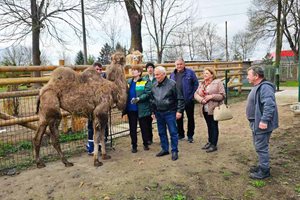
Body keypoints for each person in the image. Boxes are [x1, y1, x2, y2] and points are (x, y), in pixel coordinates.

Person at [246, 66, 278, 179]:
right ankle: (262, 166)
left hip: (261, 123)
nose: (247, 77)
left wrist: (264, 120)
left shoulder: (265, 87)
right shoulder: (258, 86)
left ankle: (264, 171)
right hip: (256, 122)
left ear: (256, 76)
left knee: (261, 146)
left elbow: (269, 105)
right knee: (258, 145)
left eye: (249, 75)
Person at [151, 66, 185, 161]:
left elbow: (180, 98)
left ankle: (174, 150)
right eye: (155, 74)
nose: (156, 76)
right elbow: (152, 99)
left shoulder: (172, 84)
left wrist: (179, 111)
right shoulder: (154, 85)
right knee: (161, 132)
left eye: (157, 74)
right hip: (158, 112)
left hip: (170, 112)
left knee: (173, 132)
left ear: (164, 74)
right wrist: (153, 111)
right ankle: (165, 149)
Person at [194, 67, 225, 153]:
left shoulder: (218, 82)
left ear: (212, 74)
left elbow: (222, 95)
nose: (204, 75)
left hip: (214, 108)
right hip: (204, 108)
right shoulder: (202, 83)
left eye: (207, 73)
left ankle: (214, 144)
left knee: (214, 125)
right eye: (204, 73)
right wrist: (201, 100)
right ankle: (210, 141)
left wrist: (211, 96)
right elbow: (196, 94)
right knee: (208, 125)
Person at [123, 65, 152, 153]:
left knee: (144, 127)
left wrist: (139, 99)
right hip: (131, 110)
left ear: (139, 72)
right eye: (132, 70)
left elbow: (148, 93)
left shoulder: (145, 81)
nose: (132, 71)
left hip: (141, 109)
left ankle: (145, 143)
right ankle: (134, 145)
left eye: (134, 70)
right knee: (132, 129)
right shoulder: (128, 82)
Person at [170, 58, 199, 143]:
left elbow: (196, 84)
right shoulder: (172, 75)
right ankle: (181, 134)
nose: (179, 66)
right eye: (177, 64)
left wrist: (192, 95)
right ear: (175, 65)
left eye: (180, 64)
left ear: (184, 64)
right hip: (178, 101)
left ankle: (190, 135)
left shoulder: (190, 73)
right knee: (178, 118)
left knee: (190, 118)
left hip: (188, 99)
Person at [86, 61, 109, 155]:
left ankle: (100, 147)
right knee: (92, 127)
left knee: (103, 127)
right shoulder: (89, 80)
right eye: (97, 69)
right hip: (91, 108)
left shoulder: (104, 79)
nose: (99, 71)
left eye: (100, 69)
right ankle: (91, 148)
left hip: (102, 108)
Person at [143, 62, 157, 144]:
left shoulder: (157, 77)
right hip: (148, 102)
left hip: (157, 101)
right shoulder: (144, 79)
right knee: (148, 121)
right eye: (148, 68)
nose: (150, 69)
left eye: (151, 67)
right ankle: (149, 138)